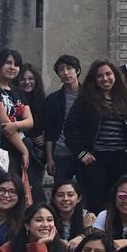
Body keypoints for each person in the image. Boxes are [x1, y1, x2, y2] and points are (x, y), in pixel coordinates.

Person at [63, 59, 127, 215]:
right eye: (100, 76)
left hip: (121, 158)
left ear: (115, 75)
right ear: (94, 79)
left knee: (119, 200)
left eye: (108, 74)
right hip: (95, 159)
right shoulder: (85, 100)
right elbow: (70, 128)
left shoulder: (124, 99)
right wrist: (81, 153)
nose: (105, 78)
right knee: (96, 202)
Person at [0, 50, 35, 201]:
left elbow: (30, 122)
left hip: (20, 147)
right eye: (8, 63)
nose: (12, 68)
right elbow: (5, 126)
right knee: (7, 192)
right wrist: (24, 151)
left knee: (25, 194)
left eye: (16, 65)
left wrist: (15, 125)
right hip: (3, 150)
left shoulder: (18, 91)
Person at [44, 55, 82, 185]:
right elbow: (49, 131)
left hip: (84, 153)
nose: (65, 72)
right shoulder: (52, 99)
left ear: (77, 71)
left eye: (69, 68)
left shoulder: (88, 96)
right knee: (61, 191)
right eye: (61, 69)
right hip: (60, 152)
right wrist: (49, 158)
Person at [18, 63, 48, 204]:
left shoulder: (43, 100)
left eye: (31, 78)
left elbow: (51, 125)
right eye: (23, 79)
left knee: (35, 186)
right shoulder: (14, 100)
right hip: (19, 147)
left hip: (39, 152)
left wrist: (44, 137)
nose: (27, 82)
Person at [51, 178, 93, 251]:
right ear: (54, 199)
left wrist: (81, 237)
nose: (65, 199)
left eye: (70, 195)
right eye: (60, 195)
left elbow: (96, 239)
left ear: (79, 198)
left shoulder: (87, 217)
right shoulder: (47, 218)